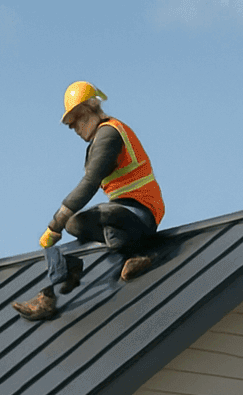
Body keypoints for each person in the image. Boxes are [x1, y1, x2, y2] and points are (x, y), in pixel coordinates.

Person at [11, 82, 165, 322]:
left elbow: (90, 183)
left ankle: (139, 253)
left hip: (140, 213)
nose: (73, 127)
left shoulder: (109, 134)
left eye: (75, 119)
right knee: (77, 225)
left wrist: (55, 224)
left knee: (96, 217)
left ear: (89, 109)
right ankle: (58, 282)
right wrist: (63, 227)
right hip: (122, 215)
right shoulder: (98, 139)